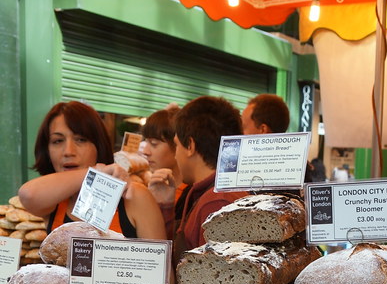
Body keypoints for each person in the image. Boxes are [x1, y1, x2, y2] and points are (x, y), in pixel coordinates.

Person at [18, 100, 166, 241]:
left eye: (81, 140)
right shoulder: (53, 201)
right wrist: (95, 172)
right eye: (58, 141)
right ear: (47, 151)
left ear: (98, 145)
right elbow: (28, 194)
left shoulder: (133, 196)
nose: (68, 151)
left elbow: (161, 266)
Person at [173, 95, 249, 264]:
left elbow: (219, 279)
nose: (175, 155)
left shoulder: (217, 202)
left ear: (190, 146)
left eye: (176, 145)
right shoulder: (209, 194)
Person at [138, 106, 182, 239]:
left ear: (177, 144)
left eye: (154, 143)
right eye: (146, 142)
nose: (146, 151)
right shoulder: (147, 187)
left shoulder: (188, 196)